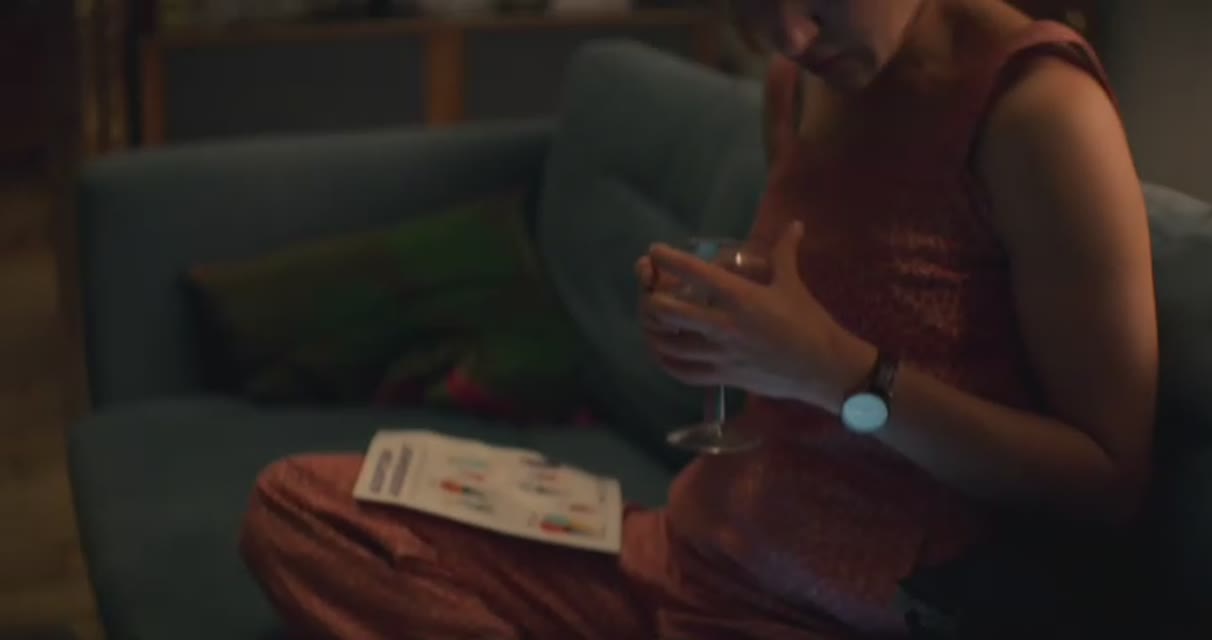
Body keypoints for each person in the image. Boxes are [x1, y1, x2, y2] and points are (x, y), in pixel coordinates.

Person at [238, 0, 1158, 637]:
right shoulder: (797, 86)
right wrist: (724, 336)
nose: (788, 36)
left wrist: (839, 375)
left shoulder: (1037, 110)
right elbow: (794, 330)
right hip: (687, 558)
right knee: (302, 507)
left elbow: (1105, 479)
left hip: (833, 615)